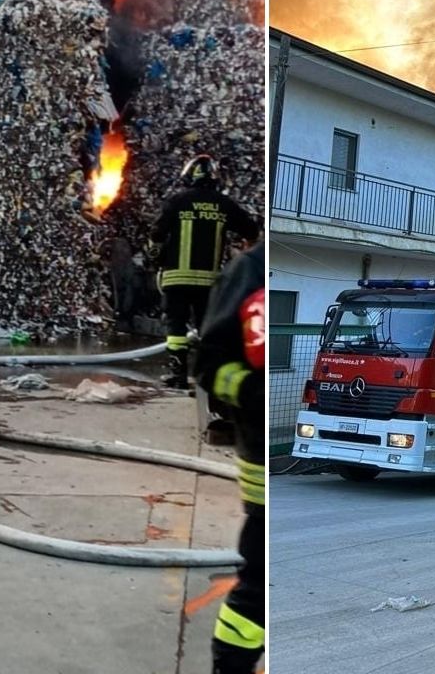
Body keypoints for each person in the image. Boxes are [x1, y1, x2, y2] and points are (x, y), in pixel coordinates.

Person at [193, 240, 265, 674]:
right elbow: (207, 365)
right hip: (259, 470)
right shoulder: (249, 270)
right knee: (254, 594)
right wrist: (250, 391)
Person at [150, 154, 259, 389]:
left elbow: (156, 235)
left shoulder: (177, 201)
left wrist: (157, 257)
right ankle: (204, 376)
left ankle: (177, 373)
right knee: (205, 327)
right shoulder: (224, 204)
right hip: (209, 282)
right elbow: (251, 232)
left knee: (176, 326)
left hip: (176, 278)